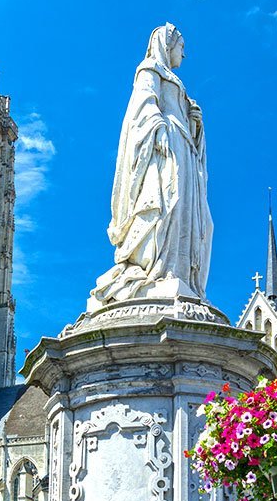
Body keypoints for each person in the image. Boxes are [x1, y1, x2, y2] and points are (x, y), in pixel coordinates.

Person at [89, 23, 213, 310]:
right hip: (165, 147)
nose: (184, 53)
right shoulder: (149, 69)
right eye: (182, 46)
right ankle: (156, 268)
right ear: (168, 45)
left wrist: (194, 123)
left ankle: (178, 271)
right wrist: (157, 126)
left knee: (196, 218)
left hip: (183, 149)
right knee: (166, 204)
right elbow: (143, 103)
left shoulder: (176, 82)